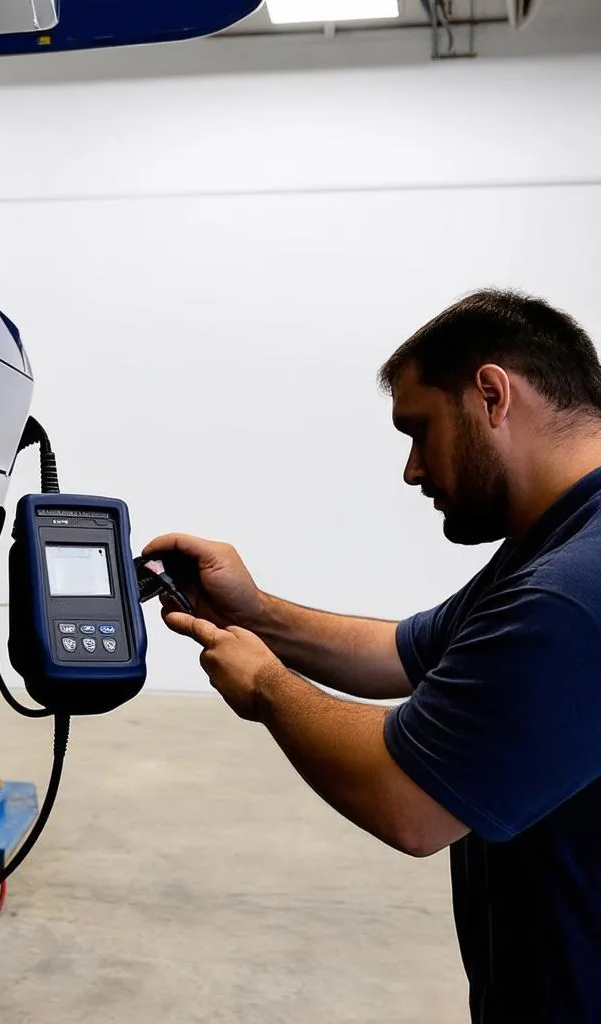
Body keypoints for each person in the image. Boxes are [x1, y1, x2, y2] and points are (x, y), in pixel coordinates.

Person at [144, 290, 601, 1023]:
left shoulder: (574, 590)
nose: (412, 471)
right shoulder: (555, 542)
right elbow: (401, 652)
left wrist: (266, 685)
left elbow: (410, 804)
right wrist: (255, 613)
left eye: (419, 431)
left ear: (491, 394)